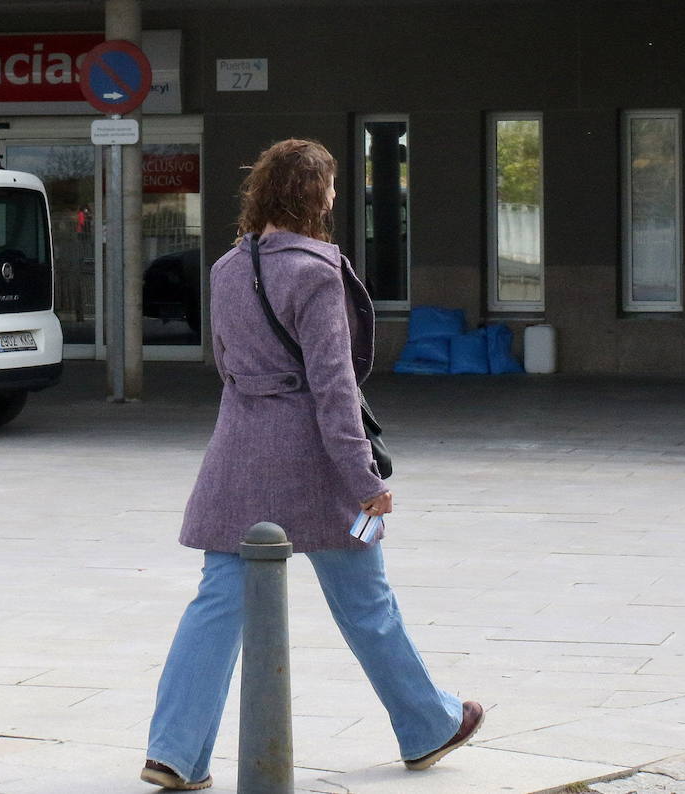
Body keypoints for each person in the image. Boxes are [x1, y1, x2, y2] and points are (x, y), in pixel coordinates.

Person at [140, 138, 483, 791]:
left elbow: (228, 365)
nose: (332, 196)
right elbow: (333, 389)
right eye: (329, 186)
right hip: (317, 467)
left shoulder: (225, 270)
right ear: (315, 195)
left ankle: (174, 752)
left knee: (218, 600)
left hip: (238, 456)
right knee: (366, 599)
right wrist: (366, 482)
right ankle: (429, 726)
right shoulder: (318, 272)